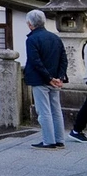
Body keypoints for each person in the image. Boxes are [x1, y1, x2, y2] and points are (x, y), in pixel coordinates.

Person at [24, 9, 68, 149]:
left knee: (44, 111)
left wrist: (48, 78)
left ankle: (49, 141)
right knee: (56, 109)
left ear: (30, 24)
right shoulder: (55, 37)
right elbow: (63, 59)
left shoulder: (32, 39)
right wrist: (59, 77)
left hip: (40, 80)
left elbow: (35, 61)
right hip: (55, 79)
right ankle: (60, 139)